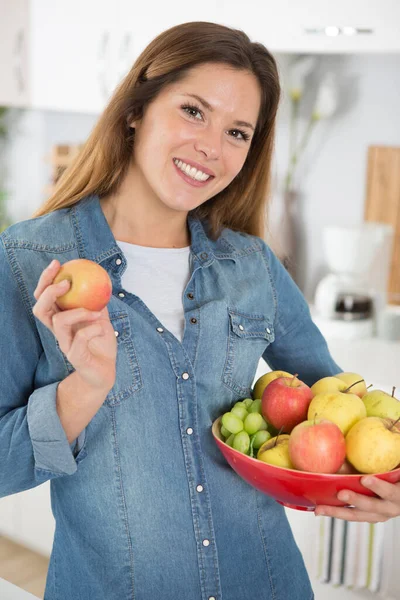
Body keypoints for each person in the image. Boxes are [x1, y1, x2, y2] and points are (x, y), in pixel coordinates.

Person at [1, 20, 399, 600]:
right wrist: (83, 388)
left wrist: (380, 482)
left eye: (238, 132)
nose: (212, 147)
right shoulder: (31, 262)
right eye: (194, 111)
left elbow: (340, 405)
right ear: (136, 109)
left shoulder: (252, 265)